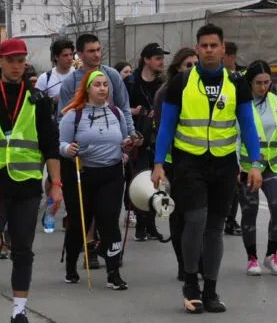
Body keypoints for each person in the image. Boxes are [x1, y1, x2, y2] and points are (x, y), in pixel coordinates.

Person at [151, 24, 263, 313]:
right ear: (197, 48)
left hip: (224, 164)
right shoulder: (181, 83)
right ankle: (190, 283)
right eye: (204, 46)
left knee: (215, 227)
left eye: (215, 45)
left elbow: (248, 126)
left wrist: (255, 164)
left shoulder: (236, 83)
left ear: (223, 49)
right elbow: (166, 126)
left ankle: (210, 289)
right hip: (190, 162)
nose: (209, 50)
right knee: (196, 220)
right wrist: (159, 163)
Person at [0, 38, 62, 323]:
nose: (16, 65)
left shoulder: (38, 99)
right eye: (10, 59)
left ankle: (19, 314)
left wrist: (56, 185)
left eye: (21, 60)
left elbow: (50, 146)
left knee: (23, 250)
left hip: (26, 186)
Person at [59, 69, 134, 288]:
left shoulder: (116, 113)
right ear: (88, 89)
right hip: (84, 174)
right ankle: (71, 267)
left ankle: (113, 273)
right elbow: (61, 144)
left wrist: (128, 145)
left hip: (111, 174)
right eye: (97, 85)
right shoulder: (74, 114)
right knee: (79, 222)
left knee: (109, 220)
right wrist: (69, 149)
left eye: (105, 85)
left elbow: (124, 139)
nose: (102, 88)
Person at [237, 61, 277, 276]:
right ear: (249, 83)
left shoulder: (276, 102)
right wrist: (236, 166)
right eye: (258, 83)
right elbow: (236, 136)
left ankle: (272, 254)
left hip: (273, 165)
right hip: (247, 167)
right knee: (249, 211)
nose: (263, 87)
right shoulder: (242, 103)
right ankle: (251, 257)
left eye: (266, 83)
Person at [153, 48, 199, 281]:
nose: (192, 69)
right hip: (174, 163)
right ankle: (184, 263)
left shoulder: (203, 90)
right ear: (178, 69)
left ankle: (196, 260)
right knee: (178, 214)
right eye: (187, 65)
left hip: (198, 161)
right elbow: (162, 129)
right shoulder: (167, 92)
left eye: (195, 64)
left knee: (198, 215)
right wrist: (159, 163)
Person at [126, 43, 169, 241]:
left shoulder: (164, 83)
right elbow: (120, 108)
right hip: (137, 139)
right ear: (146, 60)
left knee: (156, 181)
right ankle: (141, 224)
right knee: (140, 180)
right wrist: (133, 112)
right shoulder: (130, 82)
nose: (162, 61)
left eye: (162, 57)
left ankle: (149, 225)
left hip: (157, 137)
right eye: (158, 58)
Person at [56, 33, 134, 132]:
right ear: (80, 54)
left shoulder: (112, 75)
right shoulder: (71, 81)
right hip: (83, 143)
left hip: (111, 139)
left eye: (98, 50)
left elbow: (124, 108)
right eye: (91, 51)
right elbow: (62, 117)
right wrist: (67, 144)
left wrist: (131, 133)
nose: (97, 55)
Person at [222, 41, 246, 236]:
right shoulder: (218, 77)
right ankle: (223, 218)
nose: (231, 59)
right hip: (224, 135)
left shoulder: (240, 77)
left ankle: (230, 219)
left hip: (238, 133)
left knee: (235, 185)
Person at [34, 38, 76, 110]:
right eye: (65, 55)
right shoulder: (45, 78)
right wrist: (53, 100)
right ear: (56, 57)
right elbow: (36, 103)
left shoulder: (79, 74)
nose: (69, 58)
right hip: (56, 119)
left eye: (71, 54)